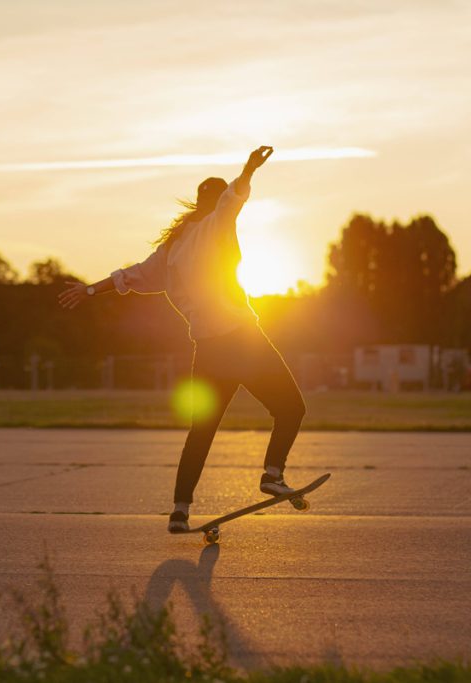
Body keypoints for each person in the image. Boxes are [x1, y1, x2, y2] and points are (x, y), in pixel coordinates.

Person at [58, 146, 306, 533]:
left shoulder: (170, 250)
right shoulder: (217, 223)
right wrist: (249, 169)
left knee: (201, 431)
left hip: (207, 351)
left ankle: (179, 510)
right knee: (292, 408)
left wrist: (90, 291)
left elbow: (130, 276)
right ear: (215, 203)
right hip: (243, 342)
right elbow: (232, 198)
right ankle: (272, 474)